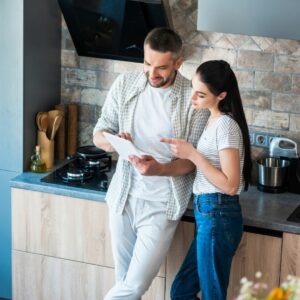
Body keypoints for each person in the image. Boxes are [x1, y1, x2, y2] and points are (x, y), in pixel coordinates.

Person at [93, 27, 209, 300]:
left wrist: (160, 169)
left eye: (161, 67)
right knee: (123, 283)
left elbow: (191, 162)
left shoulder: (193, 99)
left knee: (133, 287)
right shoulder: (125, 84)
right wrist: (115, 141)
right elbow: (99, 134)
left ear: (178, 63)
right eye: (147, 63)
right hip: (122, 198)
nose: (152, 73)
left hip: (161, 204)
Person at [162, 60, 252, 300]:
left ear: (221, 95)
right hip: (209, 214)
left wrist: (192, 153)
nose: (193, 99)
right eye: (193, 90)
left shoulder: (225, 126)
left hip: (218, 213)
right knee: (181, 291)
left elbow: (231, 185)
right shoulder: (212, 121)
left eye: (201, 95)